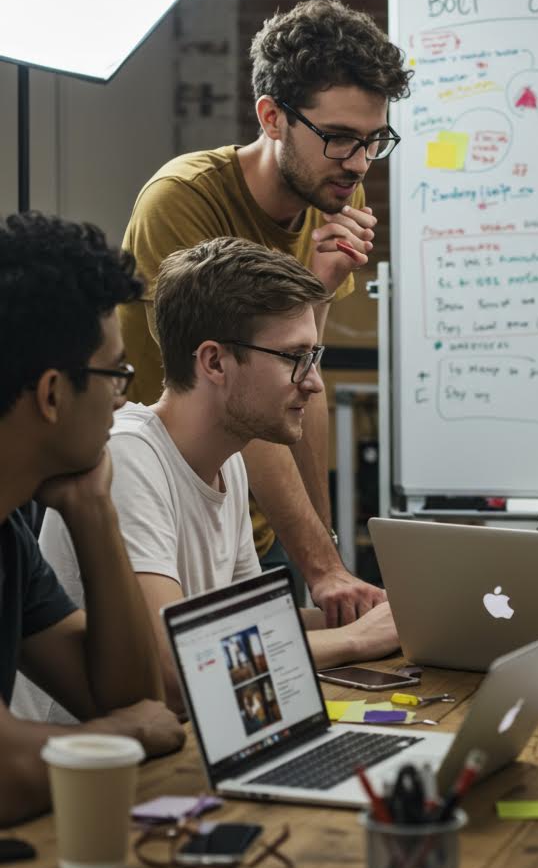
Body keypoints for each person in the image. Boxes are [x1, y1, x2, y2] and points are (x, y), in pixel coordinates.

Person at [15, 238, 400, 721]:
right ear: (214, 362)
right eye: (293, 357)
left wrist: (368, 620)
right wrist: (353, 640)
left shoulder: (229, 461)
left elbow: (243, 627)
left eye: (314, 355)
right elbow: (173, 677)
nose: (315, 381)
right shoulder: (128, 454)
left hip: (182, 742)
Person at [120, 0, 413, 627]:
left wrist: (327, 552)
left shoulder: (332, 187)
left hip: (245, 521)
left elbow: (301, 377)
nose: (358, 164)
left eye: (373, 140)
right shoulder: (182, 201)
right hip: (158, 511)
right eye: (338, 138)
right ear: (272, 116)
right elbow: (235, 388)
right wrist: (322, 565)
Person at [0, 212, 183, 826]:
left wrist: (93, 509)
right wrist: (123, 736)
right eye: (116, 373)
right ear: (53, 394)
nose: (123, 396)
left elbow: (134, 701)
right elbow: (8, 772)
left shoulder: (9, 532)